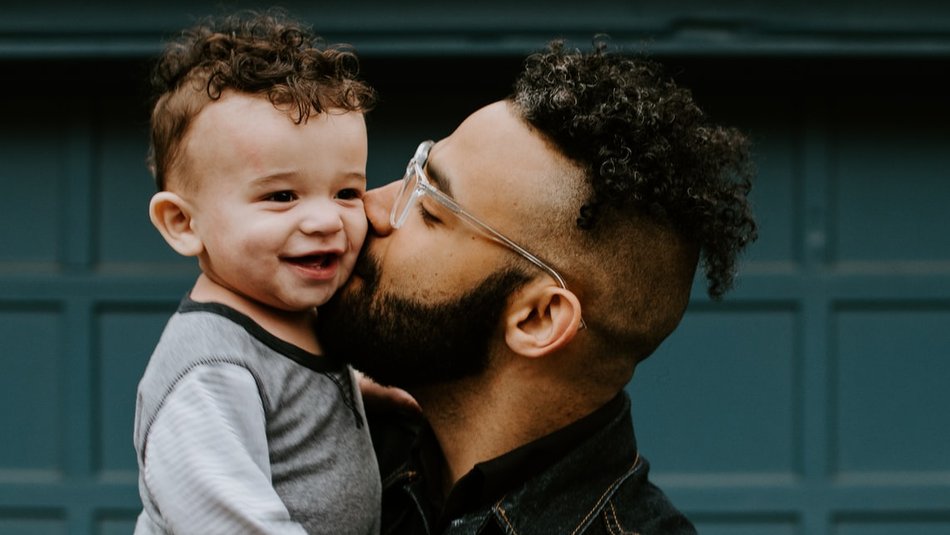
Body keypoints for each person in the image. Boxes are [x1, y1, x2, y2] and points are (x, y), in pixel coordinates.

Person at [316, 40, 757, 534]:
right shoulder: (317, 433)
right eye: (411, 174)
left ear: (538, 318)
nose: (369, 207)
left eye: (431, 210)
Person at [133, 11, 380, 534]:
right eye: (282, 196)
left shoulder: (294, 314)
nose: (325, 220)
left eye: (347, 192)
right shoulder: (208, 372)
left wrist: (368, 392)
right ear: (183, 223)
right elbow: (229, 524)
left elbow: (293, 391)